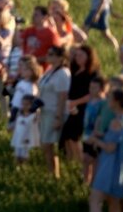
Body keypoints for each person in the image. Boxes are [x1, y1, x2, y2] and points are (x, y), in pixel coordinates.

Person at [62, 45, 102, 166]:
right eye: (76, 55)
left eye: (81, 55)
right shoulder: (74, 70)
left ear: (88, 57)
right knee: (67, 137)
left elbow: (92, 94)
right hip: (71, 108)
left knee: (74, 137)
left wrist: (75, 102)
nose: (77, 58)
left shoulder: (93, 74)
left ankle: (80, 163)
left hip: (83, 109)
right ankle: (70, 162)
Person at [37, 46, 71, 178]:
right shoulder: (50, 70)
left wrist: (58, 117)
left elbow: (63, 97)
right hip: (45, 112)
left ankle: (55, 174)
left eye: (51, 54)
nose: (47, 56)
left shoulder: (63, 73)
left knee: (48, 144)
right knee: (46, 145)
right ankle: (51, 172)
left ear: (61, 58)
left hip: (54, 112)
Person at [81, 75, 109, 186]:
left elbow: (101, 120)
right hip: (86, 133)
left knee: (94, 159)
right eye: (90, 87)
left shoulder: (103, 103)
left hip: (96, 134)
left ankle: (94, 182)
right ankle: (85, 180)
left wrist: (95, 134)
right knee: (85, 158)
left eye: (94, 88)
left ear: (103, 89)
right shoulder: (90, 100)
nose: (91, 90)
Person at [11, 95, 41, 165]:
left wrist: (36, 107)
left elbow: (38, 116)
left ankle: (24, 167)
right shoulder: (19, 114)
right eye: (23, 104)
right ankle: (17, 167)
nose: (25, 106)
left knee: (24, 154)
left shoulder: (33, 116)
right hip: (18, 138)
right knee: (17, 154)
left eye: (27, 105)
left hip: (27, 139)